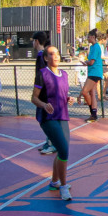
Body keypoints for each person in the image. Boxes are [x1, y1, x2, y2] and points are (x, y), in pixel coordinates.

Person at [31, 45, 73, 201]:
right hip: (48, 118)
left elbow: (62, 94)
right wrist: (43, 105)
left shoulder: (65, 74)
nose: (55, 56)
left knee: (63, 150)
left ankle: (54, 181)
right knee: (63, 150)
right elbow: (34, 98)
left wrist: (69, 99)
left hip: (62, 115)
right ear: (46, 58)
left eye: (57, 53)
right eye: (51, 54)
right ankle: (63, 186)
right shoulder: (42, 74)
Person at [32, 31, 56, 156]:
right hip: (43, 91)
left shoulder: (42, 56)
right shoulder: (42, 55)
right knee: (42, 118)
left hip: (44, 92)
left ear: (37, 41)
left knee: (46, 118)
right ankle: (49, 141)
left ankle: (53, 143)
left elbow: (43, 74)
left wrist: (41, 90)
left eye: (33, 40)